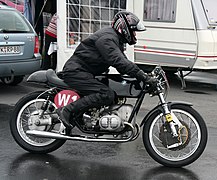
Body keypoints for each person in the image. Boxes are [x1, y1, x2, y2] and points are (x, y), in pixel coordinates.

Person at [56, 11, 157, 129]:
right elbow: (120, 62)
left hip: (84, 72)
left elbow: (123, 64)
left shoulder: (114, 39)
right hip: (76, 72)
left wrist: (144, 72)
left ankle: (81, 116)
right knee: (106, 94)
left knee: (112, 93)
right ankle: (66, 110)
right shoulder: (107, 39)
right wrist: (144, 77)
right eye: (133, 30)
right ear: (124, 27)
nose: (134, 34)